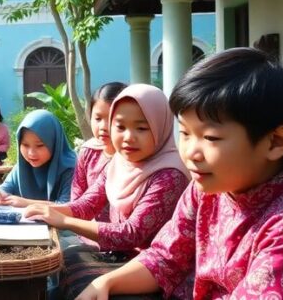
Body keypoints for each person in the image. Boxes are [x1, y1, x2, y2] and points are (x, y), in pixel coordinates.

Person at [76, 48, 283, 300]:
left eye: (211, 137)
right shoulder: (206, 188)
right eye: (184, 133)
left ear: (275, 142)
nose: (191, 152)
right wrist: (106, 284)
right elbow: (165, 257)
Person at [25, 84, 189, 299]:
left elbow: (132, 234)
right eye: (120, 127)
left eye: (141, 128)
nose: (129, 137)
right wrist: (45, 211)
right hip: (122, 256)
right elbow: (87, 203)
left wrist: (63, 221)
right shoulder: (120, 162)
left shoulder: (169, 174)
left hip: (150, 269)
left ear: (161, 125)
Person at [0, 110, 76, 206]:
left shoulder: (71, 169)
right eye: (25, 145)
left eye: (40, 145)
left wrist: (27, 203)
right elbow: (4, 189)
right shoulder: (21, 168)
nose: (31, 153)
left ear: (54, 143)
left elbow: (69, 207)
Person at [71, 82, 127, 220]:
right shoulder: (88, 152)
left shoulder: (131, 157)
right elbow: (77, 197)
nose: (103, 126)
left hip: (120, 235)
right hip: (85, 230)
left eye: (111, 119)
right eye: (98, 118)